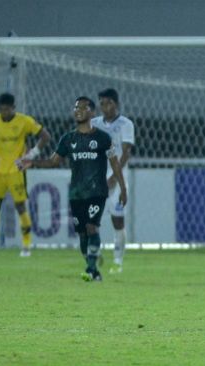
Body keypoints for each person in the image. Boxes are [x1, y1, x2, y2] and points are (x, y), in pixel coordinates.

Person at [20, 96, 127, 282]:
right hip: (77, 193)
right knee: (83, 236)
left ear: (92, 112)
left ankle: (91, 268)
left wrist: (123, 188)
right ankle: (93, 267)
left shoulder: (103, 138)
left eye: (83, 108)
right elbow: (53, 162)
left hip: (97, 192)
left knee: (91, 227)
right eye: (76, 107)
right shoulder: (68, 139)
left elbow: (115, 163)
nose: (78, 110)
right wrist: (33, 162)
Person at [0, 93, 51, 257]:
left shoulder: (24, 121)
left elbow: (45, 136)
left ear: (13, 108)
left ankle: (26, 247)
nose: (5, 113)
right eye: (2, 109)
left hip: (16, 171)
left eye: (8, 109)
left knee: (20, 207)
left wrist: (33, 153)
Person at [90, 88, 135, 274]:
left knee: (117, 219)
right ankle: (95, 252)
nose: (104, 107)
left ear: (115, 104)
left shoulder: (126, 124)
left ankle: (118, 261)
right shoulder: (94, 123)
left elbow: (125, 153)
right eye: (101, 103)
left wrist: (114, 178)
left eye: (108, 103)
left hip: (118, 176)